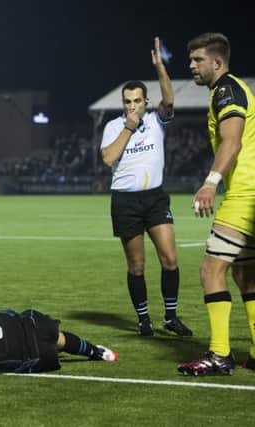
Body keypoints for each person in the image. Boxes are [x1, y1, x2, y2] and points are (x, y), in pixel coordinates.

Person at [100, 38, 192, 337]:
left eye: (137, 101)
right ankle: (143, 320)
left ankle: (170, 317)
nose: (132, 105)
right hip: (125, 202)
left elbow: (169, 99)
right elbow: (108, 158)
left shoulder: (156, 121)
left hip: (155, 198)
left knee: (170, 258)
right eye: (127, 101)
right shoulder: (115, 127)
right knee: (137, 266)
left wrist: (160, 67)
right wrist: (128, 126)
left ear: (145, 101)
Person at [178, 33, 255, 376]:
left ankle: (220, 354)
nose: (192, 65)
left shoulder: (227, 90)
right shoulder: (232, 89)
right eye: (191, 60)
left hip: (244, 196)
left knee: (212, 270)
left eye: (197, 60)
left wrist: (210, 183)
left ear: (217, 62)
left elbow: (232, 141)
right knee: (247, 274)